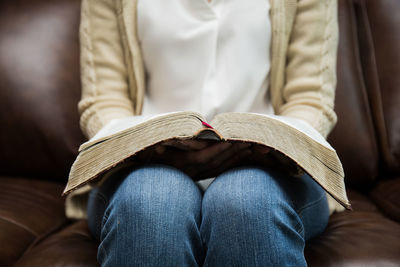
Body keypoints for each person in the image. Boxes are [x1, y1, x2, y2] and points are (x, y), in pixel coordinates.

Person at [66, 0, 345, 265]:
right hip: (142, 164)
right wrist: (141, 146)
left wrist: (279, 146)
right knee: (152, 202)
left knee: (245, 200)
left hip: (274, 168)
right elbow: (104, 101)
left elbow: (310, 100)